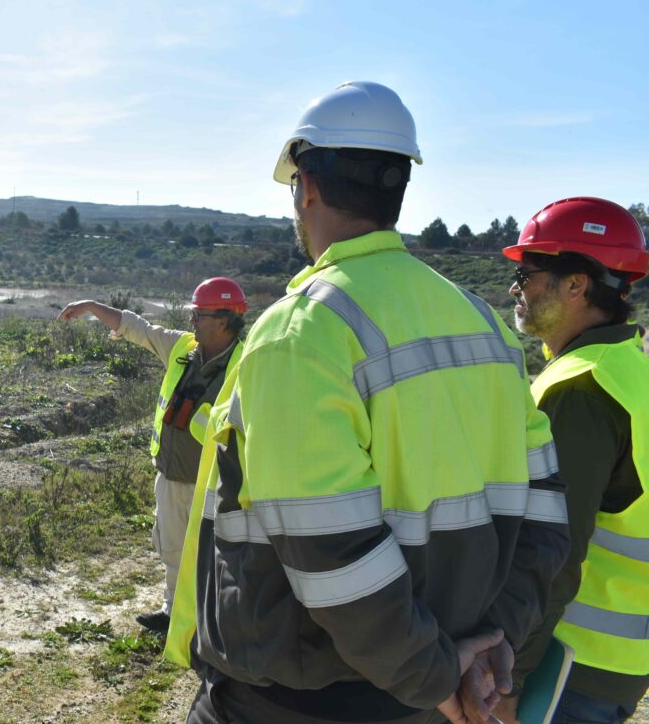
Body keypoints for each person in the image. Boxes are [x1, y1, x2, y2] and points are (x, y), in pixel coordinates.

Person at [164, 81, 570, 724]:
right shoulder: (482, 323)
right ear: (399, 190)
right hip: (437, 686)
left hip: (302, 701)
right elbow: (547, 515)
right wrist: (489, 651)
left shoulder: (301, 333)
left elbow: (332, 554)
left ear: (308, 187)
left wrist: (434, 672)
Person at [495, 197, 649, 724]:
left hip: (564, 666)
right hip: (614, 660)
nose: (516, 287)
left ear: (577, 284)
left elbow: (553, 552)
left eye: (528, 272)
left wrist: (511, 677)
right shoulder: (628, 365)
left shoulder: (580, 390)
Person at [58, 278, 248, 633]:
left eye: (199, 315)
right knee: (173, 549)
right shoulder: (182, 347)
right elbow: (138, 329)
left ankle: (216, 623)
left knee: (217, 554)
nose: (192, 321)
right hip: (172, 475)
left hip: (215, 484)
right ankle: (174, 612)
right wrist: (93, 306)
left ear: (223, 320)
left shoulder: (248, 366)